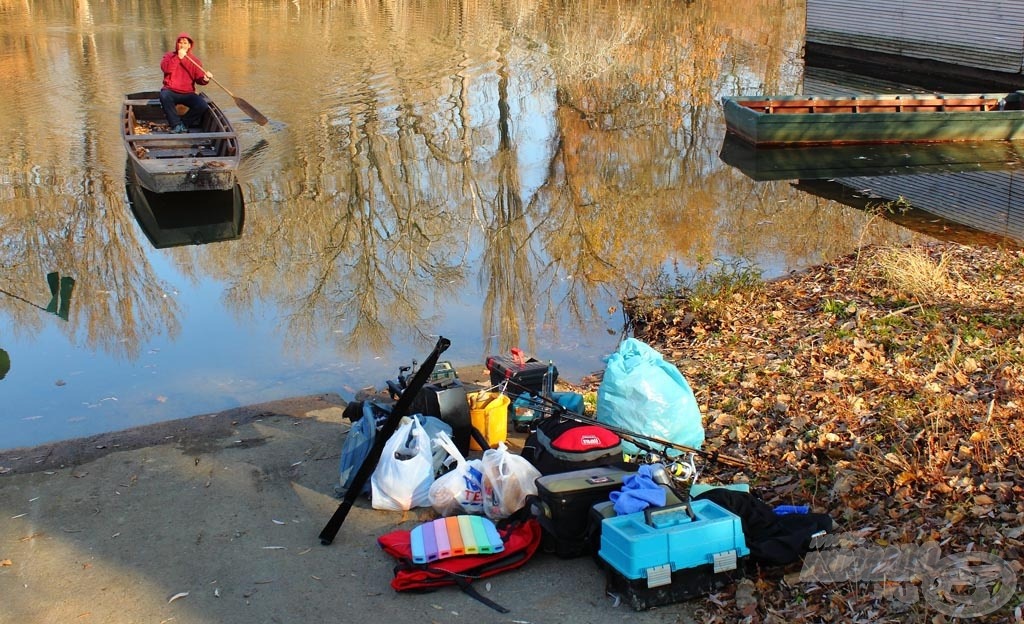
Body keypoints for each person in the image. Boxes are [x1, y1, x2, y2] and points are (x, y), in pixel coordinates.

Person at [159, 32, 213, 133]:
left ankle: (183, 124)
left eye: (185, 43)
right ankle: (175, 125)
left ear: (189, 46)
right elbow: (166, 69)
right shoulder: (169, 56)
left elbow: (199, 80)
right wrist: (178, 58)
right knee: (164, 96)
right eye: (180, 42)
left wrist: (206, 78)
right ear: (177, 44)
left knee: (203, 105)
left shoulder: (195, 61)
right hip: (170, 91)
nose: (182, 45)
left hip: (188, 93)